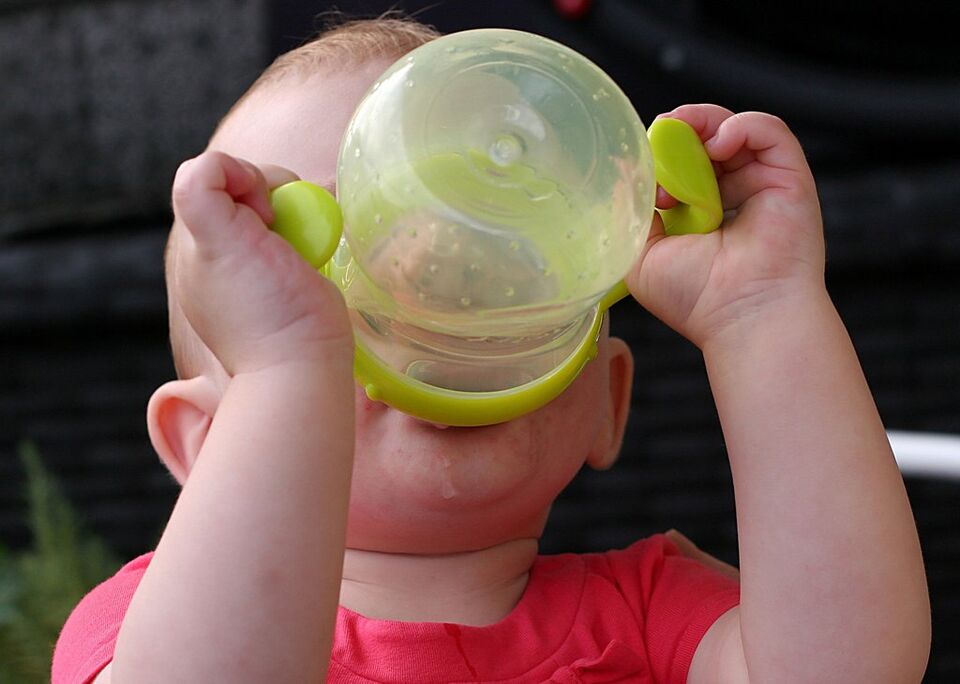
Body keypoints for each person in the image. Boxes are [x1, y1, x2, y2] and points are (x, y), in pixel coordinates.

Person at [52, 17, 931, 684]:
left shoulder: (651, 613)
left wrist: (761, 312)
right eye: (335, 264)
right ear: (203, 441)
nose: (435, 295)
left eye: (497, 260)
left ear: (608, 400)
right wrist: (291, 361)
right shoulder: (154, 623)